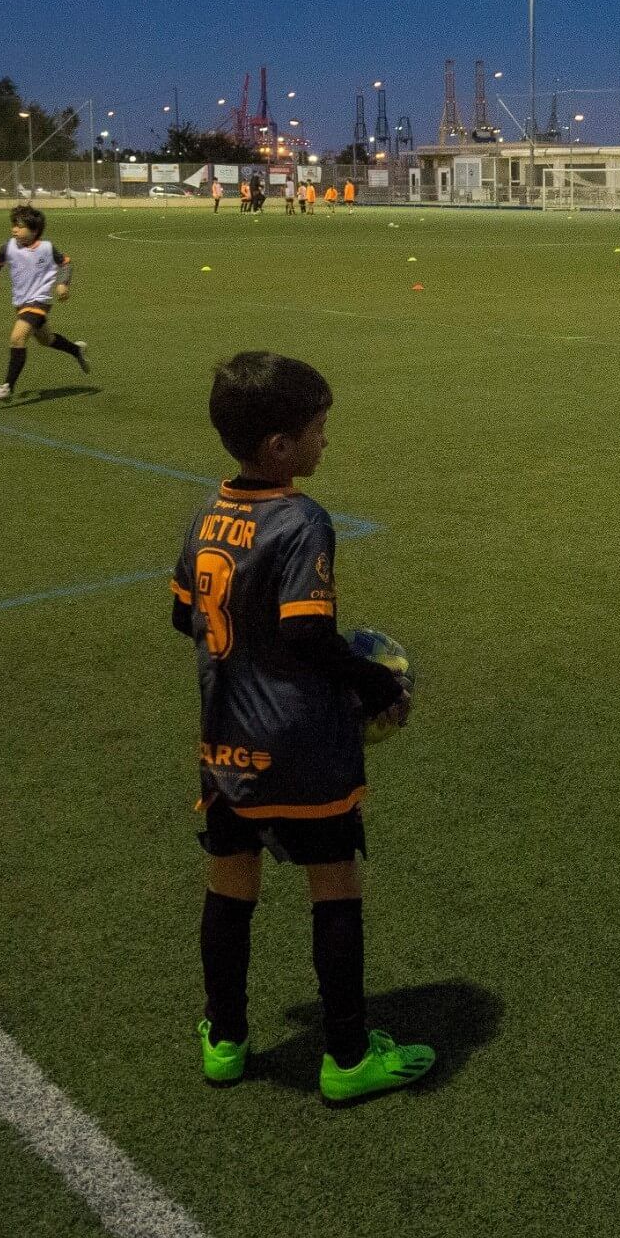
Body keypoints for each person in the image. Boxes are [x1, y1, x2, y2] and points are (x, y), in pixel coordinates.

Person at [171, 350, 433, 1106]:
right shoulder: (302, 520)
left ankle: (224, 1040)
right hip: (302, 744)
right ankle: (347, 1058)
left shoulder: (208, 511)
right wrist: (377, 682)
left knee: (229, 887)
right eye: (319, 431)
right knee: (335, 886)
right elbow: (309, 637)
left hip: (224, 742)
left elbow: (183, 614)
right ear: (281, 447)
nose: (326, 443)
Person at [0, 205, 90, 402]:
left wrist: (63, 284)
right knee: (46, 339)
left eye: (19, 226)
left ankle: (7, 387)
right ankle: (76, 350)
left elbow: (66, 263)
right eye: (13, 225)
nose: (14, 229)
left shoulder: (47, 248)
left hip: (39, 301)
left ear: (34, 230)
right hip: (21, 302)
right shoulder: (9, 246)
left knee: (17, 338)